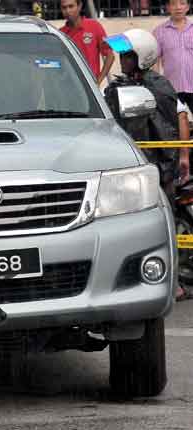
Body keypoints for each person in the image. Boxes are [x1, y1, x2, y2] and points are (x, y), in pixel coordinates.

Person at [104, 29, 190, 300]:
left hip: (159, 166)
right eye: (121, 55)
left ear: (142, 57)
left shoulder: (159, 86)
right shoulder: (120, 84)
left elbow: (175, 121)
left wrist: (181, 157)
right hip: (129, 164)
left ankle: (172, 283)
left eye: (128, 56)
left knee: (161, 224)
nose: (123, 60)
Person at [59, 0, 114, 85]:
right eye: (64, 8)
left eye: (71, 6)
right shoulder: (61, 33)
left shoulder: (94, 26)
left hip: (89, 86)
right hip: (68, 85)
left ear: (79, 6)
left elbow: (110, 56)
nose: (67, 11)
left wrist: (99, 81)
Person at [154, 0, 193, 114]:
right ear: (168, 7)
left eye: (182, 3)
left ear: (188, 7)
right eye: (173, 4)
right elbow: (155, 60)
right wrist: (157, 84)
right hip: (171, 88)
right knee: (175, 122)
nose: (178, 7)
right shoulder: (159, 31)